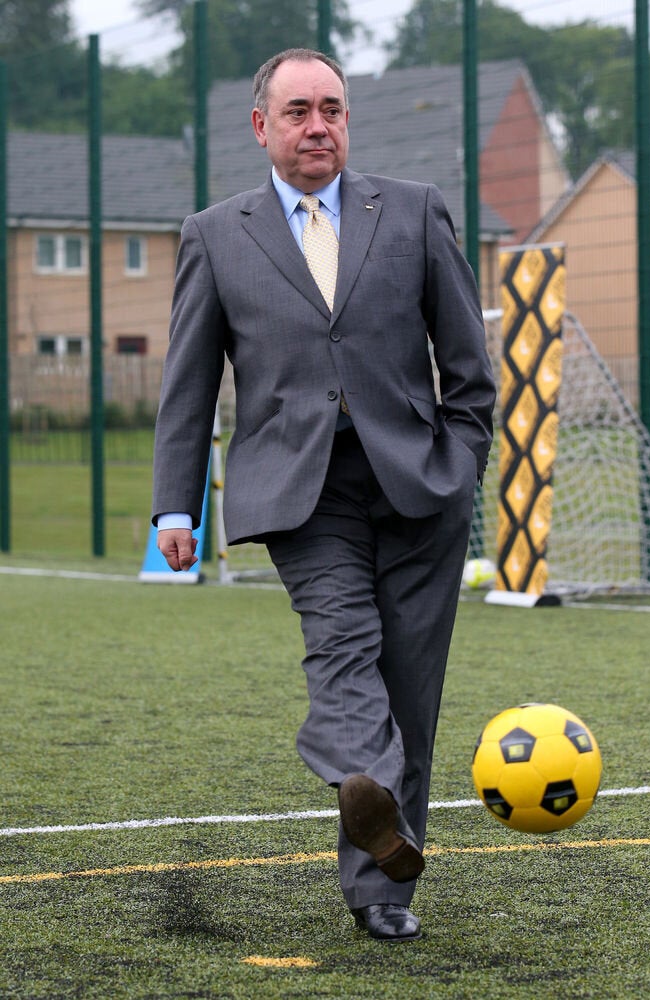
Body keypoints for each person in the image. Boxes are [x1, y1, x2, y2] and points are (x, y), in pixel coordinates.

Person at [152, 47, 496, 942]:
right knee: (342, 646)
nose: (319, 126)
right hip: (302, 493)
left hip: (420, 485)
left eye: (333, 109)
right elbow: (187, 385)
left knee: (409, 689)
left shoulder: (415, 212)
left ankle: (383, 889)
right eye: (299, 110)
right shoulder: (215, 234)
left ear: (348, 120)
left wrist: (460, 463)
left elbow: (470, 371)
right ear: (261, 126)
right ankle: (372, 802)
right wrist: (174, 508)